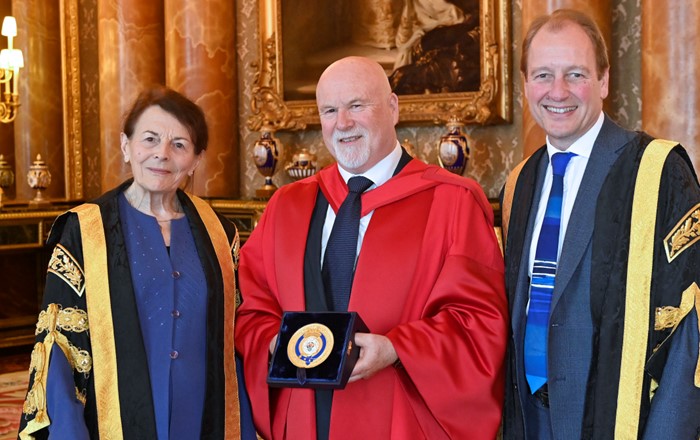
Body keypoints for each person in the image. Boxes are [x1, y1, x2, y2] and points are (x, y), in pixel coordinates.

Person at [235, 56, 508, 439]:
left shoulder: (452, 202)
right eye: (330, 110)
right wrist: (277, 343)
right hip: (306, 420)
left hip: (400, 418)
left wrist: (398, 348)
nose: (343, 123)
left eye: (357, 106)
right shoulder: (287, 206)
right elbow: (252, 312)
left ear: (393, 107)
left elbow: (479, 324)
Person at [501, 9, 700, 440]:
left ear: (604, 81)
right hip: (532, 420)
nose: (557, 91)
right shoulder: (521, 182)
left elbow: (688, 335)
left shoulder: (657, 173)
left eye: (576, 74)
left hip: (615, 421)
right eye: (542, 75)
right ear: (525, 86)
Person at [18, 86, 256, 439]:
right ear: (126, 146)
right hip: (114, 421)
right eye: (149, 139)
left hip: (204, 419)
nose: (162, 154)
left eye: (179, 144)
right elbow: (58, 349)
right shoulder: (84, 231)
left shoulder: (221, 234)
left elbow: (234, 339)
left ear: (196, 159)